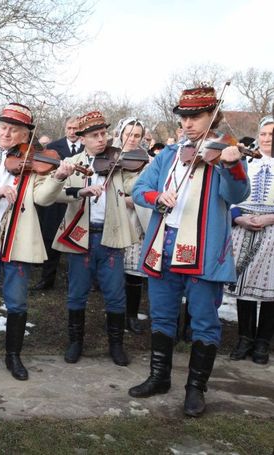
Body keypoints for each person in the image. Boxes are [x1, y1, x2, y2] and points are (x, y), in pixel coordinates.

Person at [129, 86, 250, 417]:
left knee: (205, 322)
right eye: (184, 118)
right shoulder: (169, 155)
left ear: (213, 116)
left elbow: (237, 194)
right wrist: (156, 197)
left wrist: (233, 164)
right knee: (163, 315)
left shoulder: (223, 153)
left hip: (203, 254)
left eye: (195, 117)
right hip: (164, 249)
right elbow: (139, 188)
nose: (188, 124)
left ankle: (196, 389)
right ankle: (159, 378)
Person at [0, 103, 73, 380]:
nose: (7, 133)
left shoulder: (34, 165)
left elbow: (43, 198)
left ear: (25, 135)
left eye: (14, 129)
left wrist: (57, 177)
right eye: (4, 127)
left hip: (18, 241)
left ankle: (14, 357)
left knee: (18, 303)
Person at [52, 111, 143, 367]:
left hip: (110, 235)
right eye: (95, 135)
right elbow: (54, 194)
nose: (102, 139)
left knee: (115, 293)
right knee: (77, 293)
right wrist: (74, 187)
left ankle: (116, 345)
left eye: (104, 133)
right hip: (81, 236)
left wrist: (139, 177)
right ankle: (75, 342)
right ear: (82, 138)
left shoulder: (118, 160)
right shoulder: (71, 162)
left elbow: (136, 182)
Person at [226, 115, 274, 364]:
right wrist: (237, 217)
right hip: (243, 227)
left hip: (272, 230)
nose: (267, 138)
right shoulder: (245, 161)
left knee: (270, 291)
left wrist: (269, 219)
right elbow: (230, 192)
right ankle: (244, 338)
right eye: (264, 133)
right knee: (243, 286)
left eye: (272, 134)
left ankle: (263, 342)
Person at [32, 116, 83, 291]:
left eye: (76, 128)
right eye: (69, 128)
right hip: (56, 201)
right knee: (50, 238)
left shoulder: (87, 149)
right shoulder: (53, 147)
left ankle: (75, 279)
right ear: (65, 128)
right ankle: (47, 278)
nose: (73, 131)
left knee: (76, 239)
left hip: (77, 200)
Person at [112, 117, 152, 335]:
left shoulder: (148, 160)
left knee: (134, 270)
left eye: (137, 135)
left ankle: (132, 314)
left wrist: (135, 199)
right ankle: (115, 313)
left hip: (136, 216)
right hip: (113, 215)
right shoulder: (109, 156)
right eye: (128, 134)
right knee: (113, 269)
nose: (132, 139)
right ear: (120, 133)